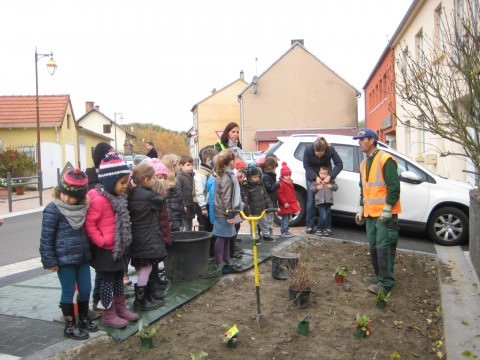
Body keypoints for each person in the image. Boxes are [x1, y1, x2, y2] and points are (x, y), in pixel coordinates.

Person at [39, 168, 97, 340]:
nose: (68, 199)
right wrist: (49, 260)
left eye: (73, 197)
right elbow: (46, 237)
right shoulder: (53, 210)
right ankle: (70, 325)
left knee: (86, 288)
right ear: (60, 191)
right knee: (68, 290)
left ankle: (84, 318)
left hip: (82, 257)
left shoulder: (83, 208)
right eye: (65, 194)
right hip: (64, 260)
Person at [85, 152, 139, 329]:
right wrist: (102, 241)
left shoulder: (118, 198)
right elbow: (90, 224)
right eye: (122, 182)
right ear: (109, 181)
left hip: (118, 247)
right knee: (107, 282)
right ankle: (108, 313)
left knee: (118, 279)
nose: (125, 187)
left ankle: (120, 307)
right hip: (106, 249)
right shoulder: (98, 200)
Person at [353, 128, 401, 295]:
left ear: (371, 140)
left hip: (384, 215)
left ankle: (386, 283)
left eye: (361, 139)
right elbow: (364, 189)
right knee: (374, 247)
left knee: (384, 248)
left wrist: (388, 207)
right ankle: (379, 276)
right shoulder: (364, 163)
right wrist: (361, 208)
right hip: (370, 214)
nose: (359, 142)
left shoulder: (385, 159)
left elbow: (394, 187)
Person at [128, 162, 167, 311]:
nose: (154, 181)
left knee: (142, 269)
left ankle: (146, 297)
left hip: (137, 237)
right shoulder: (149, 196)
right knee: (146, 269)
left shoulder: (131, 194)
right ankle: (141, 300)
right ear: (145, 179)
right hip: (147, 238)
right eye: (152, 178)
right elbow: (161, 200)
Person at [303, 136, 343, 234]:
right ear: (314, 150)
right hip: (312, 178)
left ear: (325, 149)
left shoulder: (330, 150)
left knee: (327, 201)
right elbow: (306, 166)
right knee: (311, 201)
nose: (320, 156)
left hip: (326, 178)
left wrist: (330, 176)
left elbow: (339, 164)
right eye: (317, 154)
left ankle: (327, 227)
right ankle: (310, 225)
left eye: (322, 154)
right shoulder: (308, 150)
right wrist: (315, 177)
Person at [213, 150, 242, 269]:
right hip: (224, 213)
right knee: (221, 236)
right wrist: (230, 213)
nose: (236, 162)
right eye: (234, 160)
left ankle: (226, 258)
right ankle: (220, 261)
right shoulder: (225, 177)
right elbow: (226, 197)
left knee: (227, 236)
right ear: (230, 162)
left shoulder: (228, 175)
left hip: (226, 212)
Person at [244, 165, 274, 242]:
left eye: (258, 177)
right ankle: (255, 238)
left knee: (265, 223)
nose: (257, 179)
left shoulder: (261, 185)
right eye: (254, 177)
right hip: (253, 212)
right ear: (250, 177)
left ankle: (266, 235)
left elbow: (266, 196)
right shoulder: (247, 187)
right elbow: (246, 201)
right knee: (254, 226)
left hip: (262, 210)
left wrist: (270, 207)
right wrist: (248, 212)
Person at [193, 147, 217, 232]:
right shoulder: (201, 174)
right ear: (208, 160)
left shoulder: (210, 171)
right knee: (204, 227)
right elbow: (199, 192)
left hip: (208, 203)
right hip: (202, 205)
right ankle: (204, 244)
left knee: (210, 227)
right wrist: (203, 208)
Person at [310, 166, 338, 236]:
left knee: (327, 216)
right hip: (320, 202)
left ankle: (325, 229)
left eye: (325, 174)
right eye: (321, 173)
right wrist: (317, 187)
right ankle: (319, 229)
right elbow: (312, 189)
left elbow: (336, 187)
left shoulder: (330, 181)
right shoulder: (316, 181)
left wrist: (331, 186)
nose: (323, 175)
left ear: (328, 174)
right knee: (323, 216)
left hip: (328, 201)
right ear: (319, 173)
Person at [276, 162, 300, 238]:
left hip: (289, 203)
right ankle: (284, 231)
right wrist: (285, 202)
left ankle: (286, 230)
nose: (288, 176)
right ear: (282, 176)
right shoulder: (282, 184)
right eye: (286, 175)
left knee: (288, 218)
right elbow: (280, 194)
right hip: (285, 204)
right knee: (285, 218)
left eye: (289, 175)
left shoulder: (288, 182)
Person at [161, 154, 183, 232]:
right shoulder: (168, 181)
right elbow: (167, 202)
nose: (179, 167)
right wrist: (170, 220)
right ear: (172, 166)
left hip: (176, 216)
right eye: (177, 165)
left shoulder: (174, 177)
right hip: (173, 219)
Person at [262, 156, 280, 238]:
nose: (275, 170)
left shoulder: (269, 176)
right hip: (268, 201)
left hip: (271, 200)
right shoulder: (266, 177)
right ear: (270, 167)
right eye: (274, 168)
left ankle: (269, 233)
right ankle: (267, 234)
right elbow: (270, 188)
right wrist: (277, 184)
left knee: (270, 217)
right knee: (268, 218)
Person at [176, 155, 195, 231]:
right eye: (188, 165)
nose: (191, 167)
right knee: (185, 224)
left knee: (189, 223)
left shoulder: (192, 175)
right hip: (185, 205)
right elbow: (178, 191)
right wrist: (183, 204)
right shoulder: (179, 177)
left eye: (192, 165)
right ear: (181, 166)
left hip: (191, 204)